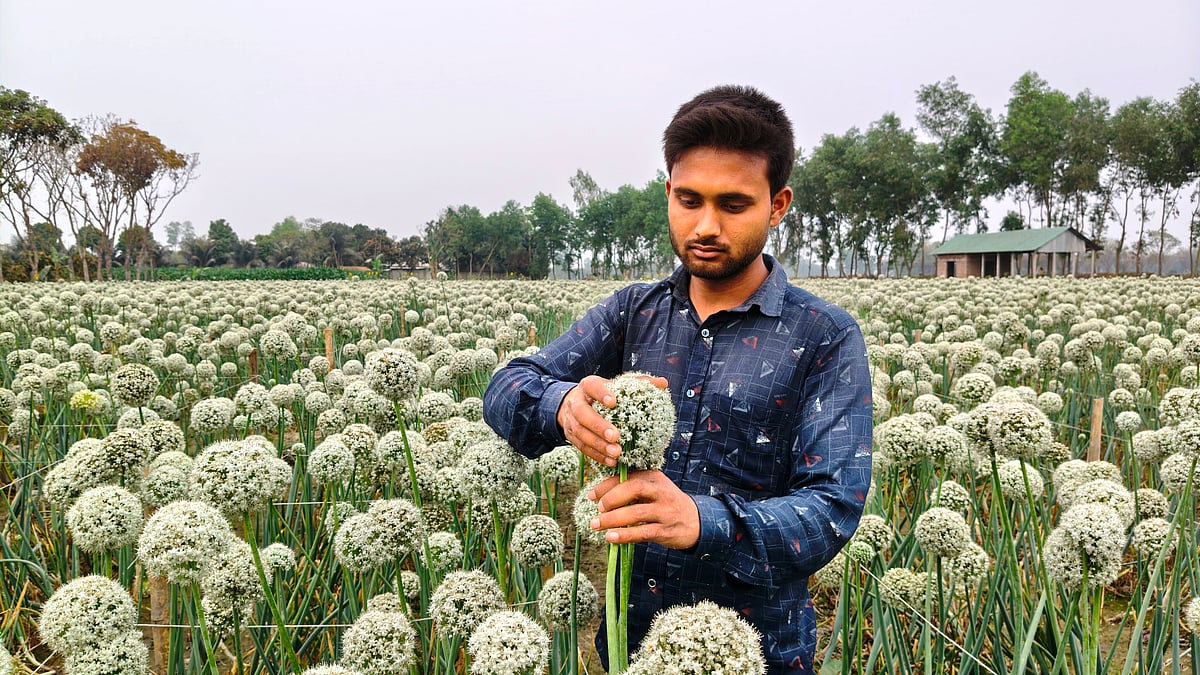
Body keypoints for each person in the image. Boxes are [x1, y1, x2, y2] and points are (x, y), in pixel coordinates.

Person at [483, 85, 872, 674]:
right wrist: (563, 405)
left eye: (734, 205)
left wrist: (699, 521)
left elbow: (832, 508)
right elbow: (508, 386)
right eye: (689, 200)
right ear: (668, 192)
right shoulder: (632, 312)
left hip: (763, 654)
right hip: (630, 643)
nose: (706, 225)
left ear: (778, 204)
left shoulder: (824, 337)